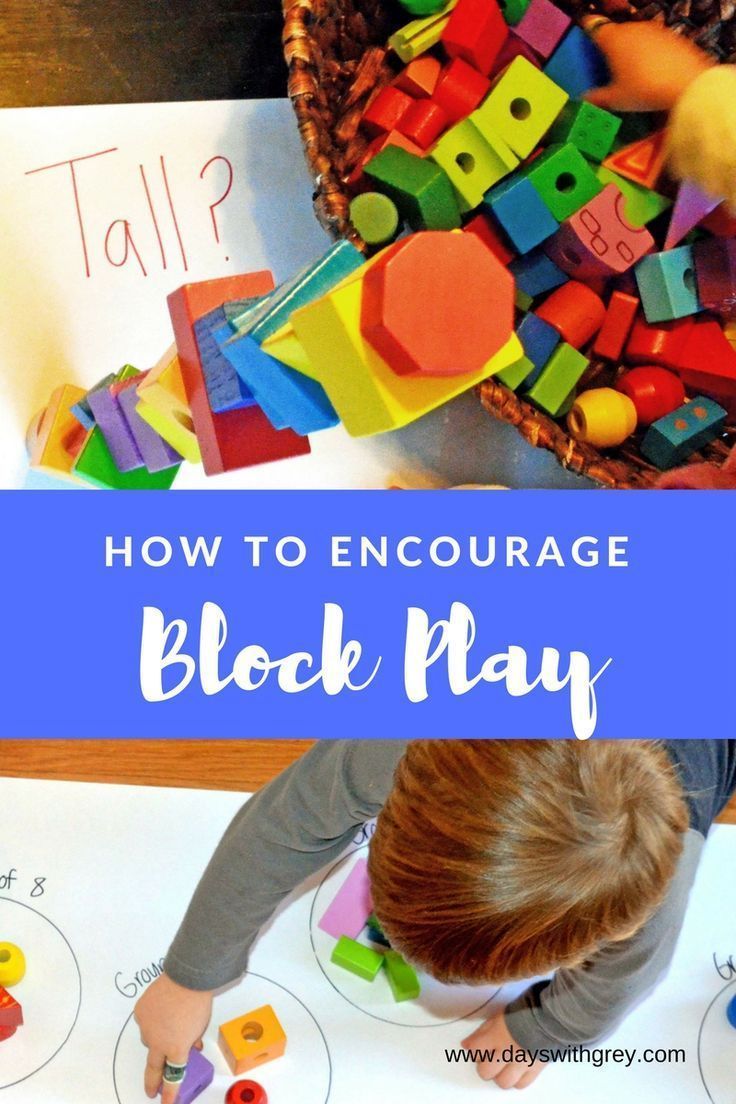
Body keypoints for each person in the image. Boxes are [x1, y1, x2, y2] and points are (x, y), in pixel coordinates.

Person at [134, 739, 736, 1099]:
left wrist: (543, 1028)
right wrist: (191, 973)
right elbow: (283, 829)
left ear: (609, 935)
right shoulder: (407, 743)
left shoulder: (652, 884)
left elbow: (626, 977)